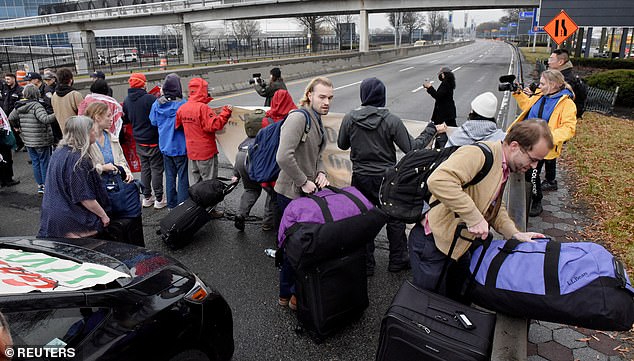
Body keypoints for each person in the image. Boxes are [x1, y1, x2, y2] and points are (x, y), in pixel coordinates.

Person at [408, 119, 553, 299]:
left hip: (457, 245)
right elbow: (439, 180)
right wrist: (474, 218)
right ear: (514, 146)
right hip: (433, 244)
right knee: (426, 304)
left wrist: (514, 234)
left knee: (454, 300)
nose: (534, 167)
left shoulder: (503, 166)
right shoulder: (478, 155)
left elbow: (493, 206)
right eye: (533, 160)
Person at [337, 77, 440, 276]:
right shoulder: (391, 120)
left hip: (360, 177)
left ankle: (366, 264)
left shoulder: (349, 118)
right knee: (395, 218)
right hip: (387, 179)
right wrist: (430, 129)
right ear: (382, 96)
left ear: (363, 95)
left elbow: (342, 145)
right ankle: (397, 259)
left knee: (363, 218)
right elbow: (412, 148)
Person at [275, 76, 333, 310]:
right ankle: (286, 294)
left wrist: (320, 173)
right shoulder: (299, 117)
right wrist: (303, 181)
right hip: (290, 193)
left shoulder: (317, 119)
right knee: (294, 248)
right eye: (322, 96)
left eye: (330, 97)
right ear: (310, 95)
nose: (327, 101)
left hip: (306, 192)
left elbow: (316, 155)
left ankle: (296, 291)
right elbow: (283, 156)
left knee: (304, 247)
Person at [511, 69, 577, 217]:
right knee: (524, 172)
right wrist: (517, 93)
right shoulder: (541, 95)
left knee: (532, 175)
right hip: (528, 141)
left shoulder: (566, 104)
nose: (539, 86)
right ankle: (524, 196)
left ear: (553, 84)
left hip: (543, 147)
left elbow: (569, 128)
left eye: (542, 83)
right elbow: (528, 106)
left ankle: (536, 200)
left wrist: (547, 137)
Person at [232, 89, 296, 232]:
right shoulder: (291, 121)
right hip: (268, 164)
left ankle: (241, 214)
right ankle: (267, 223)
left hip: (243, 156)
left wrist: (235, 173)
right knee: (273, 194)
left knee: (250, 189)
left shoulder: (266, 119)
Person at [38, 116, 110, 238]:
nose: (95, 133)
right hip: (71, 220)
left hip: (52, 215)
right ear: (84, 134)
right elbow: (84, 197)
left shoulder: (59, 151)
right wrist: (104, 215)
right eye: (92, 130)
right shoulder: (79, 160)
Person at [86, 102, 143, 246]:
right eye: (108, 116)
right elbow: (83, 168)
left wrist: (127, 173)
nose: (112, 119)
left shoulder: (112, 137)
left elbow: (122, 160)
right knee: (110, 231)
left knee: (129, 228)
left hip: (118, 189)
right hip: (101, 193)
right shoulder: (87, 141)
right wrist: (101, 168)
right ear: (97, 117)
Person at [176, 77, 232, 184]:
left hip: (192, 151)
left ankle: (196, 201)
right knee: (208, 184)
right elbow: (215, 125)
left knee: (196, 183)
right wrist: (226, 113)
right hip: (205, 152)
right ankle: (208, 201)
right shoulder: (203, 108)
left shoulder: (183, 108)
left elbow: (178, 125)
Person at [123, 73, 166, 209]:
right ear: (142, 84)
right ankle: (159, 199)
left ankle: (147, 197)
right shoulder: (150, 99)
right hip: (153, 139)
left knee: (145, 169)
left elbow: (126, 120)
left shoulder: (127, 100)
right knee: (156, 169)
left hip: (139, 140)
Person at [7, 84, 57, 194]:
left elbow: (10, 117)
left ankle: (40, 186)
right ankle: (47, 185)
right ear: (36, 93)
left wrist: (17, 127)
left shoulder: (19, 105)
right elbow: (45, 119)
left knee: (35, 162)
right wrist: (57, 113)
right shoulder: (36, 105)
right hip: (41, 139)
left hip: (28, 140)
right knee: (44, 162)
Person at [149, 73, 188, 210]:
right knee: (183, 177)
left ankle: (171, 205)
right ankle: (183, 205)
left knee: (170, 177)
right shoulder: (183, 104)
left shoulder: (157, 104)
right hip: (181, 147)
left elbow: (153, 121)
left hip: (165, 146)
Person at [547, 48, 587, 119]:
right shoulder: (561, 75)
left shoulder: (565, 79)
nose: (548, 62)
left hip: (562, 116)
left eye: (551, 59)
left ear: (560, 62)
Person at [422, 66, 456, 148]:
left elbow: (438, 96)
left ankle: (440, 148)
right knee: (451, 130)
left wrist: (430, 87)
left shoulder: (445, 83)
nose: (439, 76)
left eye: (440, 74)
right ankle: (441, 146)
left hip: (444, 113)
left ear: (443, 75)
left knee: (443, 130)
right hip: (448, 111)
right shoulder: (449, 82)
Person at [51, 68, 84, 133]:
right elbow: (84, 115)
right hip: (78, 133)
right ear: (70, 80)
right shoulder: (75, 94)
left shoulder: (54, 95)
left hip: (64, 132)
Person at [0, 107, 20, 187]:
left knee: (3, 158)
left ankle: (2, 180)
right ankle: (8, 179)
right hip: (2, 136)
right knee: (6, 157)